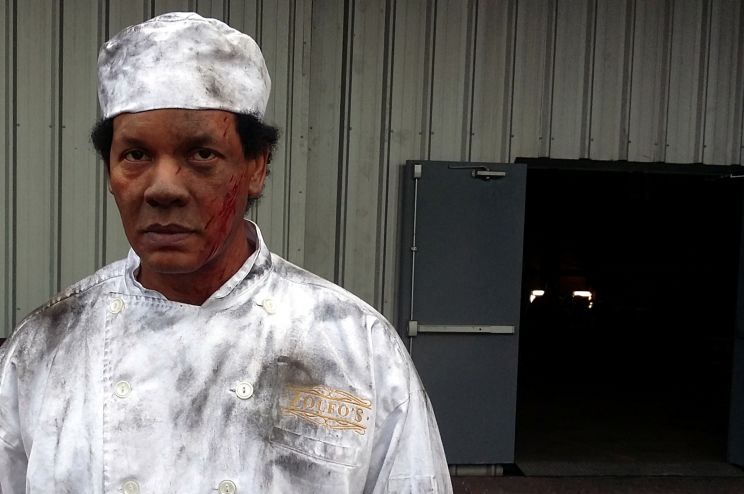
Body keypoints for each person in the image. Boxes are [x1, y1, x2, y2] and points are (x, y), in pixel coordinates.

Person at [0, 12, 451, 493]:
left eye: (201, 154)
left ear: (256, 167)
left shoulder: (356, 346)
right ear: (110, 172)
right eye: (135, 155)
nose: (163, 188)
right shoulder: (43, 348)